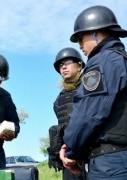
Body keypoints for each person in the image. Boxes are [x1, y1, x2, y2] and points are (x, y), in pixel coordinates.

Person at [59, 5, 127, 179]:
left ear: (95, 32)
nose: (80, 45)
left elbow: (89, 114)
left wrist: (71, 150)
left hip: (110, 162)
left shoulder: (102, 62)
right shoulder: (122, 60)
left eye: (81, 38)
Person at [48, 47, 88, 180]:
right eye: (60, 65)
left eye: (68, 62)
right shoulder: (59, 99)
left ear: (79, 65)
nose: (64, 67)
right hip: (69, 158)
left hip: (90, 155)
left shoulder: (90, 89)